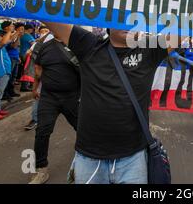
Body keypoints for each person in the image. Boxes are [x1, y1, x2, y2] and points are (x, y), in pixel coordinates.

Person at [44, 23, 170, 184]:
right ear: (108, 22)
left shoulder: (150, 50)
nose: (130, 23)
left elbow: (185, 29)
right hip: (89, 158)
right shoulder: (88, 45)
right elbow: (47, 14)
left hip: (133, 158)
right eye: (122, 16)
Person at [29, 34, 80, 184]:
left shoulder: (77, 45)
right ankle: (41, 169)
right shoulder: (44, 46)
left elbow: (87, 71)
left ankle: (84, 164)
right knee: (42, 131)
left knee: (83, 129)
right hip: (48, 97)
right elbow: (38, 68)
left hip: (72, 97)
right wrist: (35, 87)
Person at [24, 26, 52, 131]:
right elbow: (36, 69)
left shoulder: (62, 44)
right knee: (37, 98)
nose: (44, 33)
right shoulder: (38, 44)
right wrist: (34, 88)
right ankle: (35, 119)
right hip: (43, 77)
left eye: (46, 31)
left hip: (58, 81)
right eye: (42, 31)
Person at [2, 21, 24, 101]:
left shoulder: (14, 35)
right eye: (11, 26)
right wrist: (17, 35)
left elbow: (16, 47)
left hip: (15, 57)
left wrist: (18, 57)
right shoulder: (6, 35)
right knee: (8, 76)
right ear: (6, 28)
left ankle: (11, 91)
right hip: (10, 57)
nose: (13, 27)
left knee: (13, 77)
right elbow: (12, 46)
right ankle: (5, 93)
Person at [20, 24, 36, 92]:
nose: (32, 31)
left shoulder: (22, 35)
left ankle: (25, 85)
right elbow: (34, 45)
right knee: (28, 70)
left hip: (22, 53)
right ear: (29, 29)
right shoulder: (28, 36)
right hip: (27, 55)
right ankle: (25, 86)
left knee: (25, 69)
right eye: (32, 29)